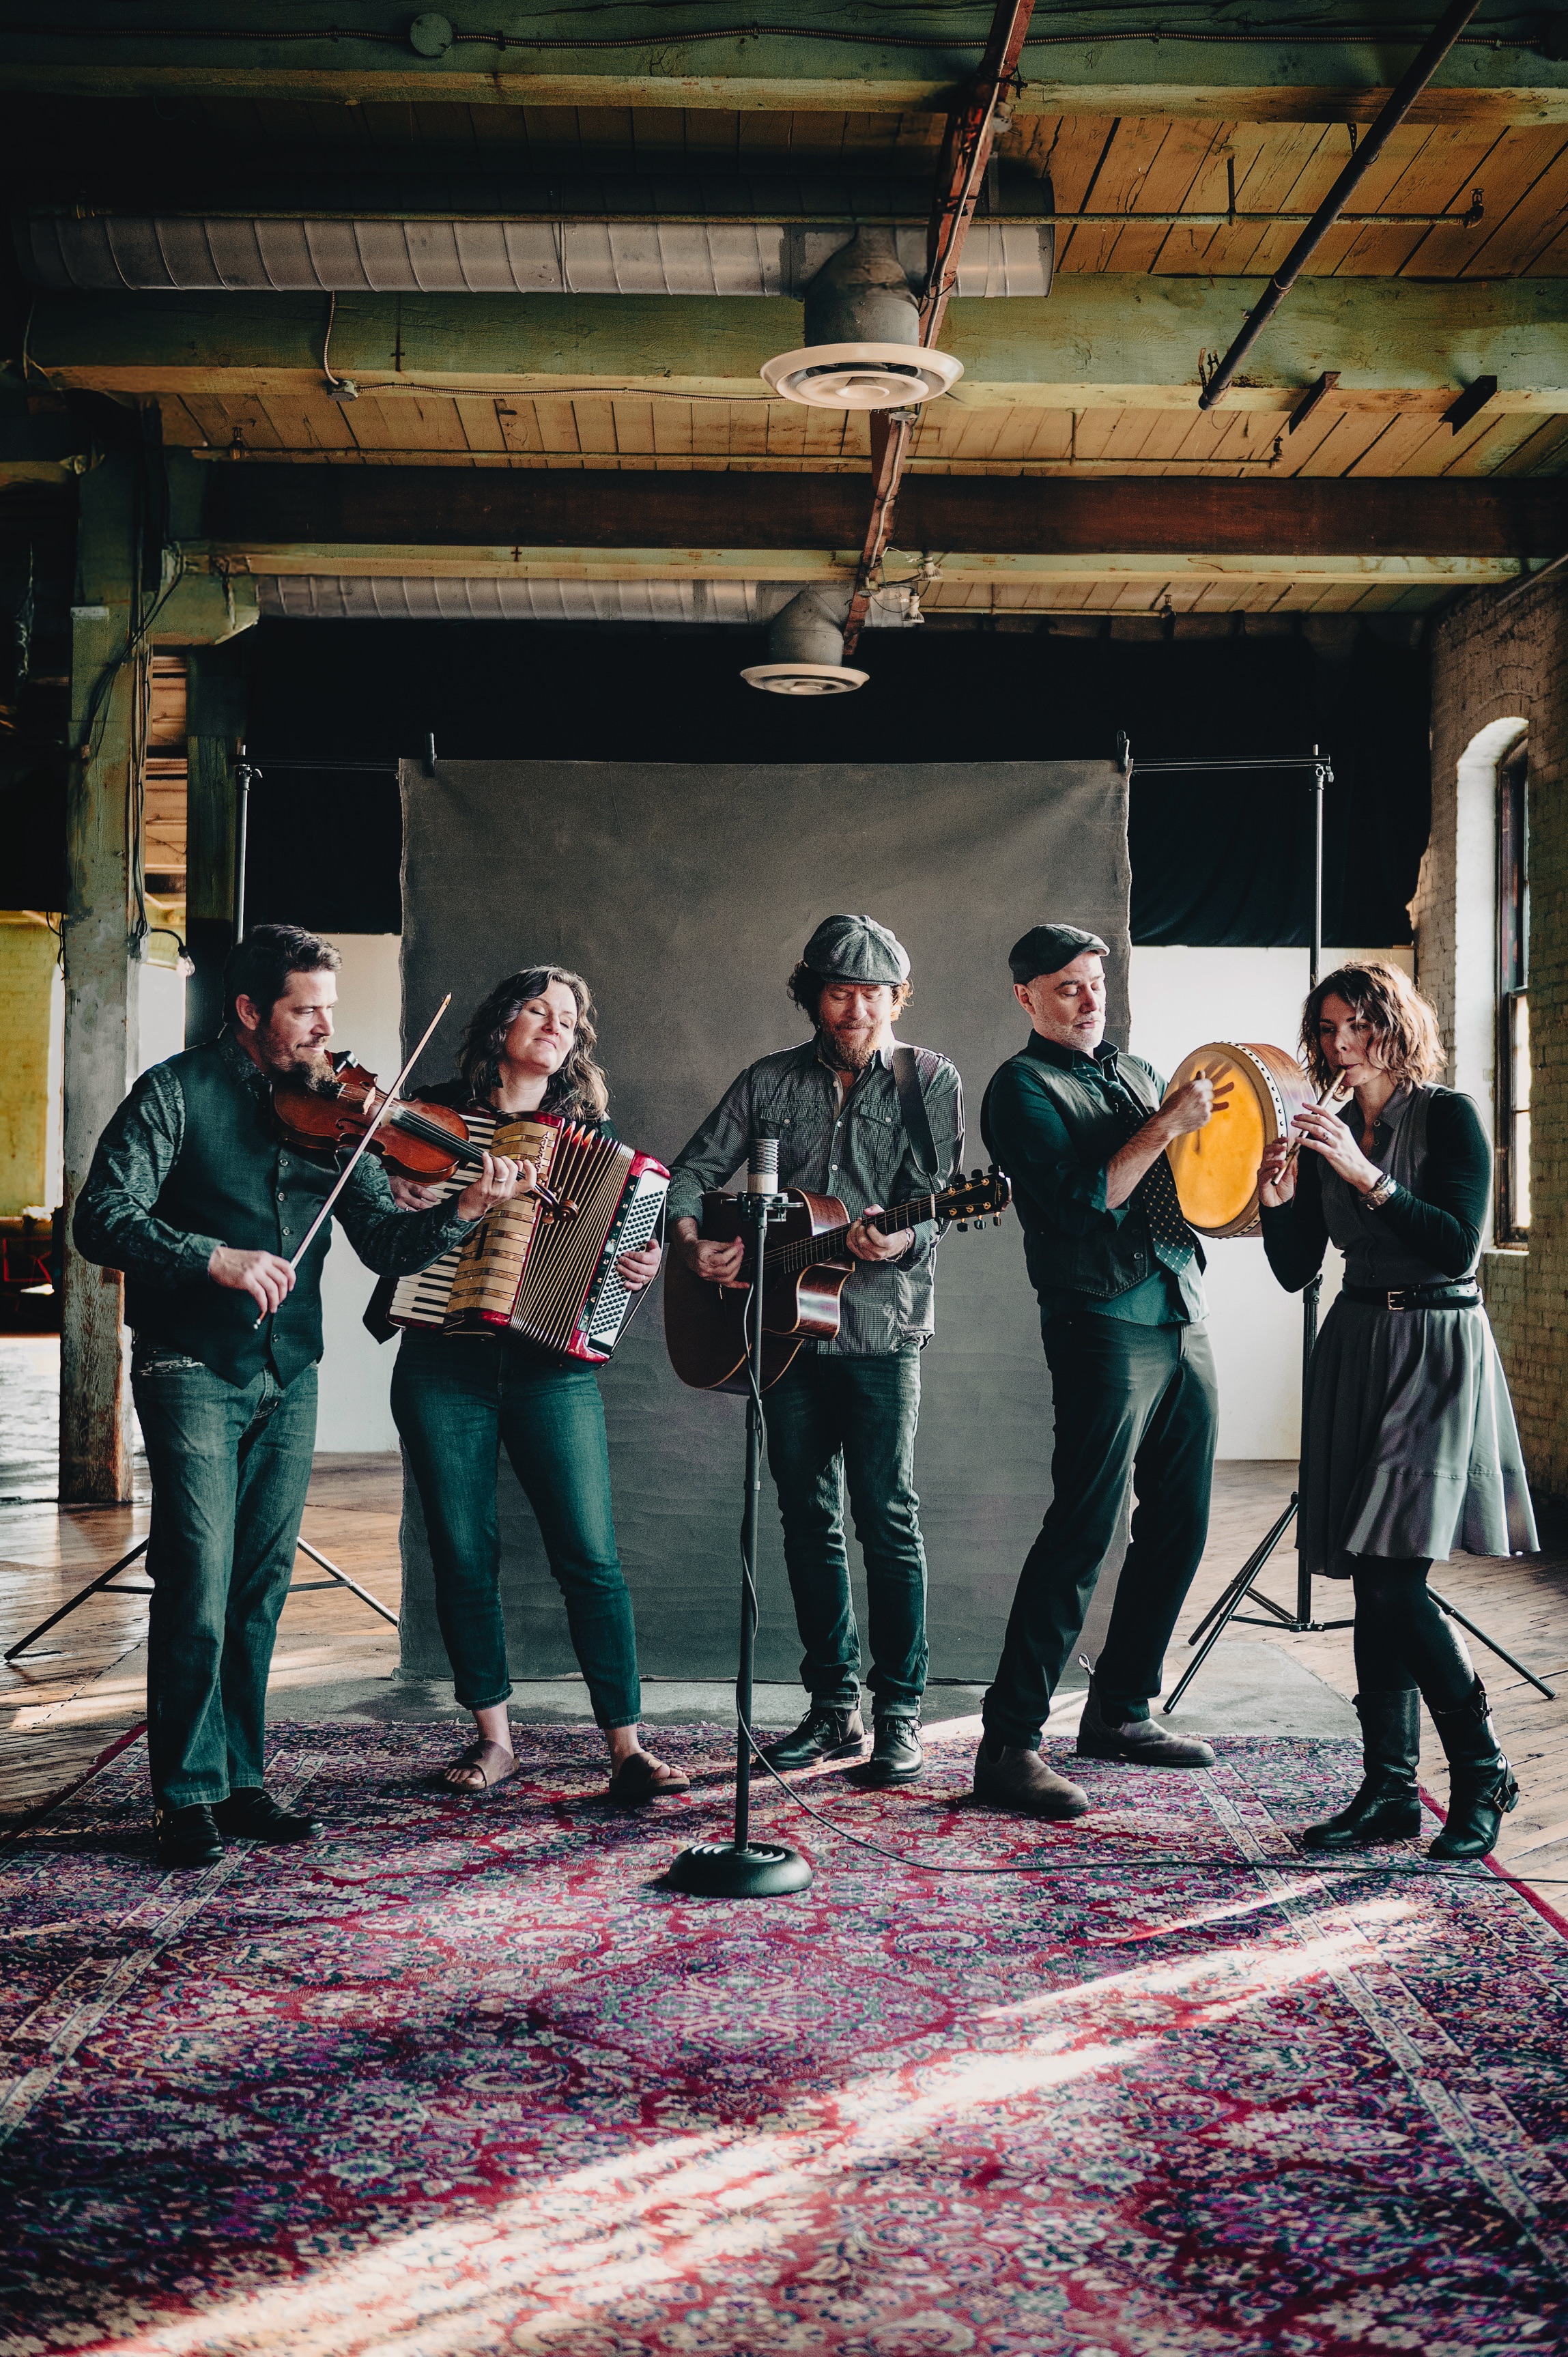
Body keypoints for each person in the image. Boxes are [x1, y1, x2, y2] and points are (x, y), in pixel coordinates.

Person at [73, 923, 513, 1870]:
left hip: (289, 1369)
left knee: (261, 1589)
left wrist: (462, 1212)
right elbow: (100, 1216)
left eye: (328, 1009)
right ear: (248, 1012)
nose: (326, 1030)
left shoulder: (333, 1116)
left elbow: (385, 1249)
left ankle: (240, 1780)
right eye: (305, 1010)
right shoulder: (173, 1095)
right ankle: (183, 1793)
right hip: (192, 1364)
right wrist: (211, 1257)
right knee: (196, 1584)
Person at [379, 965, 687, 1807]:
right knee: (462, 1550)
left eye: (567, 1016)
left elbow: (626, 1250)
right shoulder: (427, 1118)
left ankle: (626, 1746)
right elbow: (380, 1229)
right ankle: (493, 1741)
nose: (553, 1024)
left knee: (590, 1556)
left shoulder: (594, 1134)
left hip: (551, 1368)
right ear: (500, 1020)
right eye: (537, 1008)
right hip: (444, 1357)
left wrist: (641, 1264)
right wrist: (407, 1190)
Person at [667, 915, 962, 1786]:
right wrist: (693, 1244)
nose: (858, 1009)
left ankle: (899, 1714)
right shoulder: (765, 1082)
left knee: (888, 1521)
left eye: (875, 994)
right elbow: (690, 1172)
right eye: (841, 992)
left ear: (897, 999)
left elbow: (938, 1202)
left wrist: (897, 1243)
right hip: (780, 1333)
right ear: (813, 997)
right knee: (805, 1517)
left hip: (879, 1331)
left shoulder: (928, 1079)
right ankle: (832, 1709)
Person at [1257, 960, 1538, 1861]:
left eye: (1358, 1026)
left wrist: (1362, 1171)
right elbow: (1297, 1268)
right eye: (1328, 1030)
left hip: (1435, 1345)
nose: (1341, 1045)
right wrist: (1278, 1198)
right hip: (1355, 1344)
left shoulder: (1448, 1115)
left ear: (1394, 1025)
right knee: (1366, 1578)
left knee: (1391, 1578)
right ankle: (1387, 1791)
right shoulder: (1328, 1123)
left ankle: (1481, 1766)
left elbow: (1456, 1244)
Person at [972, 924, 1229, 1818]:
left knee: (1183, 1521)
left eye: (1095, 984)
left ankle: (1121, 1708)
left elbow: (1182, 1190)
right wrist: (1165, 1125)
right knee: (1084, 1529)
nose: (1088, 999)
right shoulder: (1019, 1088)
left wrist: (1248, 1173)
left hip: (1178, 1308)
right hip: (1100, 1322)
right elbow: (1084, 1206)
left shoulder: (1140, 1072)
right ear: (1028, 999)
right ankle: (1006, 1745)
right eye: (1068, 987)